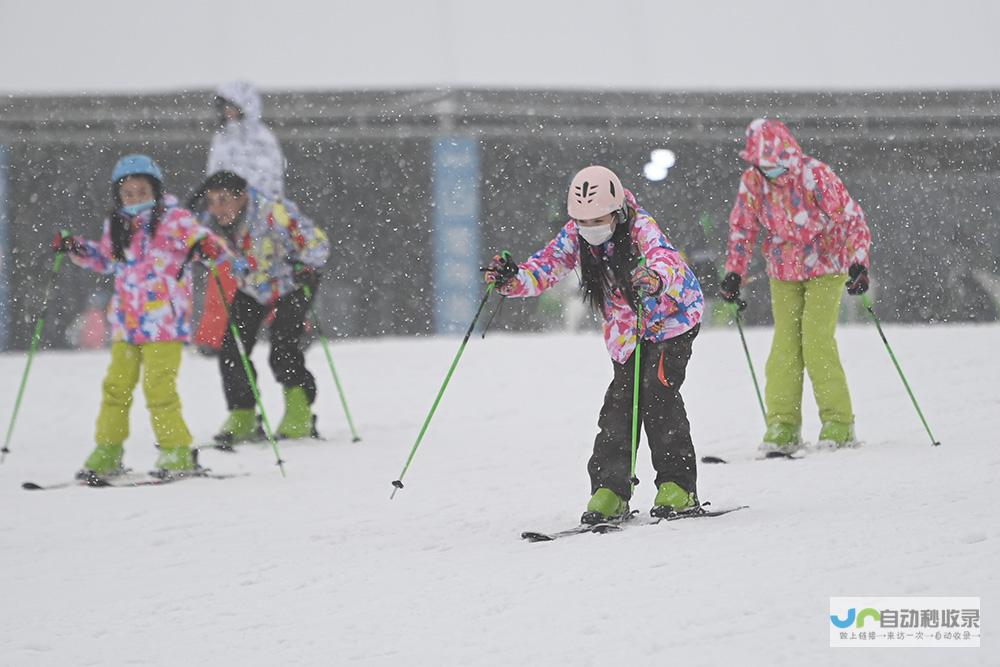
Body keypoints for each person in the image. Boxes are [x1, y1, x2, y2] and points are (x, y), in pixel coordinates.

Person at [484, 165, 705, 524]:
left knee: (657, 392)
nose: (590, 229)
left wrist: (655, 277)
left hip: (670, 321)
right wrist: (512, 279)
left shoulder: (641, 227)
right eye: (582, 222)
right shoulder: (577, 235)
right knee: (620, 403)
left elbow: (668, 261)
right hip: (626, 331)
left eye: (598, 219)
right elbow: (546, 267)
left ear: (617, 210)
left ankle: (678, 487)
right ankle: (610, 490)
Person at [53, 155, 234, 479]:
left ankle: (176, 450)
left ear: (156, 191)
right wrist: (76, 247)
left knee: (158, 388)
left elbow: (211, 245)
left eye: (141, 191)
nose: (135, 198)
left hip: (164, 322)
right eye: (128, 193)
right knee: (115, 388)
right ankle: (108, 449)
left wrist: (207, 247)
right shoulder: (118, 225)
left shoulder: (175, 220)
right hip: (126, 323)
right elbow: (106, 259)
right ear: (119, 197)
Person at [720, 118, 872, 453]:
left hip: (826, 266)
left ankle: (839, 422)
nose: (771, 172)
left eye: (776, 165)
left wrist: (858, 261)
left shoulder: (814, 174)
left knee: (816, 340)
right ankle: (783, 424)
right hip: (783, 271)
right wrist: (735, 272)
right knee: (785, 346)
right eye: (763, 166)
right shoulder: (753, 183)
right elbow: (743, 228)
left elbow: (850, 218)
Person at [198, 171, 330, 444]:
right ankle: (243, 413)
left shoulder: (274, 213)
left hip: (291, 283)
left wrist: (307, 265)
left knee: (284, 346)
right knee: (232, 348)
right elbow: (203, 247)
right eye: (211, 201)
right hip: (254, 286)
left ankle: (299, 411)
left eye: (223, 200)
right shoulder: (211, 223)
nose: (217, 209)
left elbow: (318, 241)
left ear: (242, 196)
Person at [194, 81, 286, 354]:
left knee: (267, 273)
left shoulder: (264, 140)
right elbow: (213, 176)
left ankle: (287, 326)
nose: (229, 113)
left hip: (258, 219)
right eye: (224, 108)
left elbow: (272, 180)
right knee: (223, 275)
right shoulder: (221, 140)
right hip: (226, 220)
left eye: (233, 107)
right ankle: (215, 335)